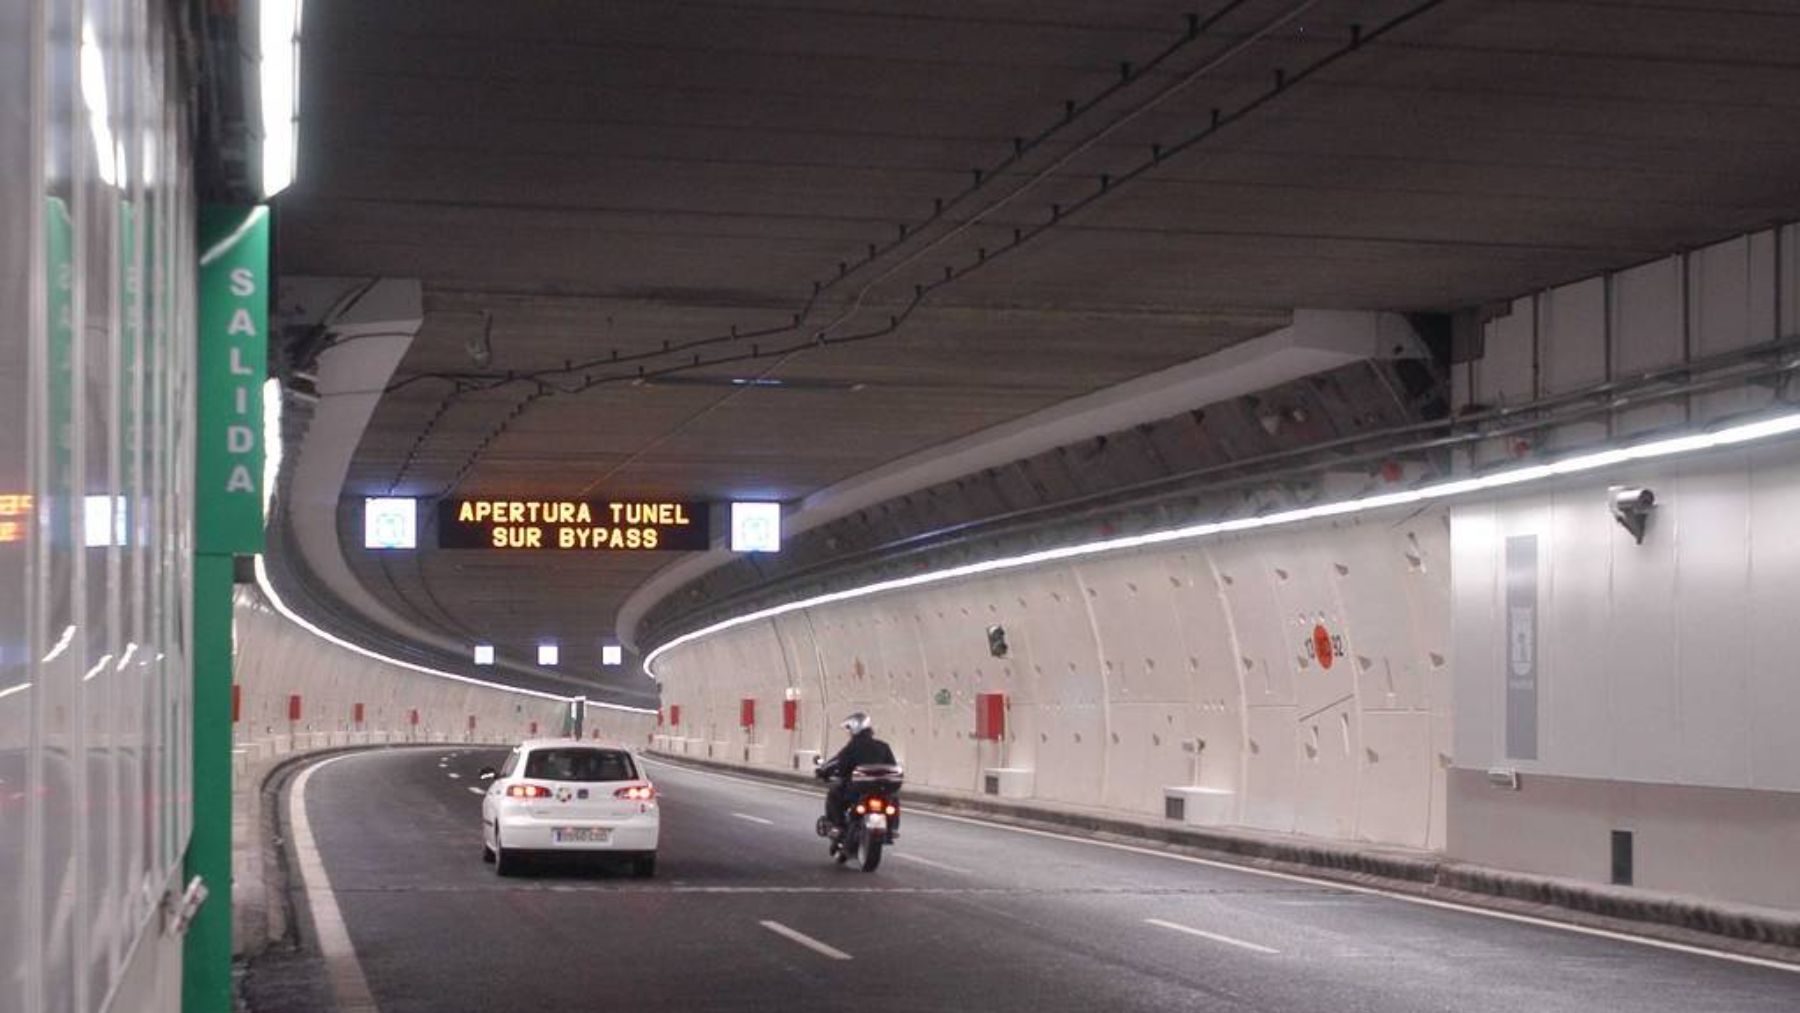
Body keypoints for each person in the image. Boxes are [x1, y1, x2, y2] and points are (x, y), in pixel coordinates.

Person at [816, 711, 897, 835]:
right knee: (893, 800)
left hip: (856, 790)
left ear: (854, 728)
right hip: (881, 790)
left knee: (834, 793)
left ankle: (838, 826)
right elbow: (892, 767)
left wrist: (824, 770)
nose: (848, 733)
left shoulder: (854, 746)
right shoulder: (883, 746)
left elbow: (839, 762)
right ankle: (891, 828)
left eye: (849, 729)